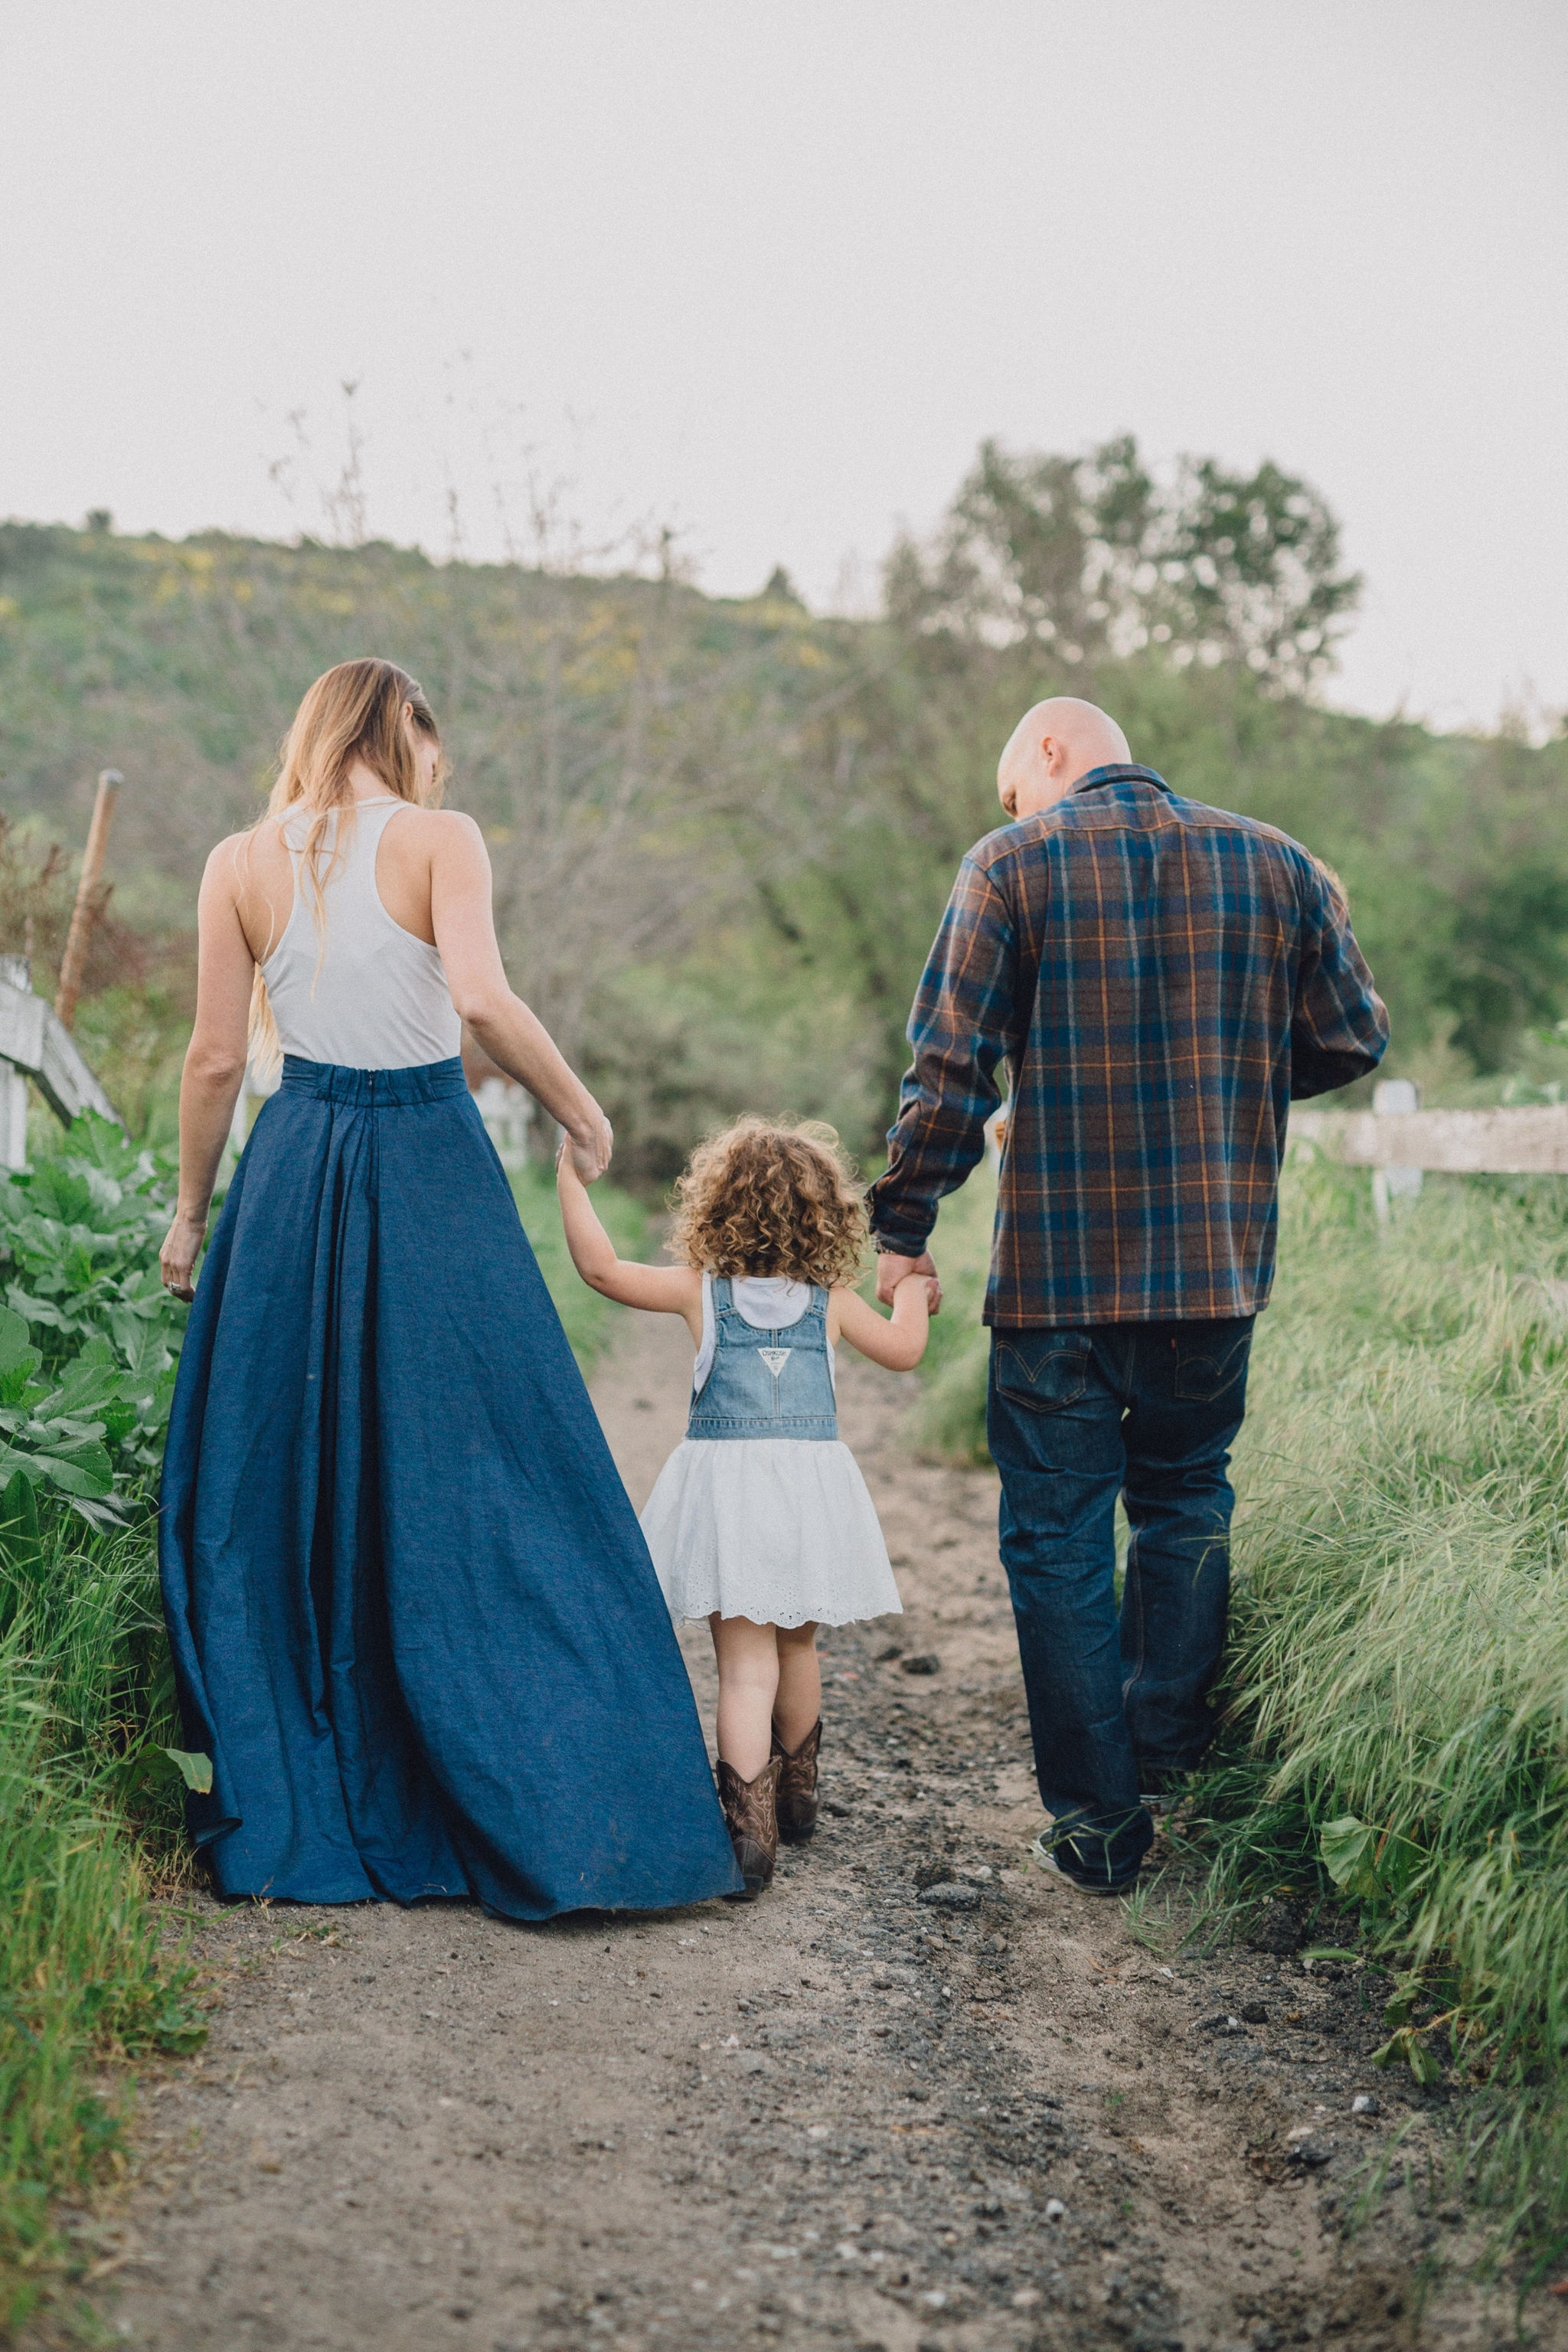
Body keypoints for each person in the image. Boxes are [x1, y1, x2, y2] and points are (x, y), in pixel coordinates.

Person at [157, 657, 741, 1916]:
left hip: (296, 1164)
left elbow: (213, 1059)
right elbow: (479, 998)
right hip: (426, 1159)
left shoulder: (238, 860)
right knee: (491, 1462)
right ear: (404, 727)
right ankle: (552, 1782)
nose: (441, 765)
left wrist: (193, 1212)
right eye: (436, 742)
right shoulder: (439, 837)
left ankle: (310, 1758)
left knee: (290, 1471)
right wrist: (579, 1110)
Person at [866, 697, 1390, 1896]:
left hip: (1059, 1279)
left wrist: (902, 1227)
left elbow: (949, 1068)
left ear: (1050, 751)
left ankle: (1100, 1826)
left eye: (1013, 786)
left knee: (1055, 1534)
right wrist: (1230, 1079)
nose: (1011, 810)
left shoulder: (1010, 865)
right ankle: (1167, 1763)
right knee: (1186, 1500)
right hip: (1213, 1271)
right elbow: (1355, 1037)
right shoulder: (1281, 863)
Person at [555, 1116, 931, 1896]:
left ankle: (749, 1833)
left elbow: (599, 1270)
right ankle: (798, 1799)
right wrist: (916, 1295)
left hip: (728, 1495)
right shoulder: (830, 1299)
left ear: (714, 1207)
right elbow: (903, 1352)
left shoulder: (700, 1292)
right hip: (806, 1494)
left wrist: (569, 1176)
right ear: (822, 1213)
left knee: (743, 1666)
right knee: (798, 1647)